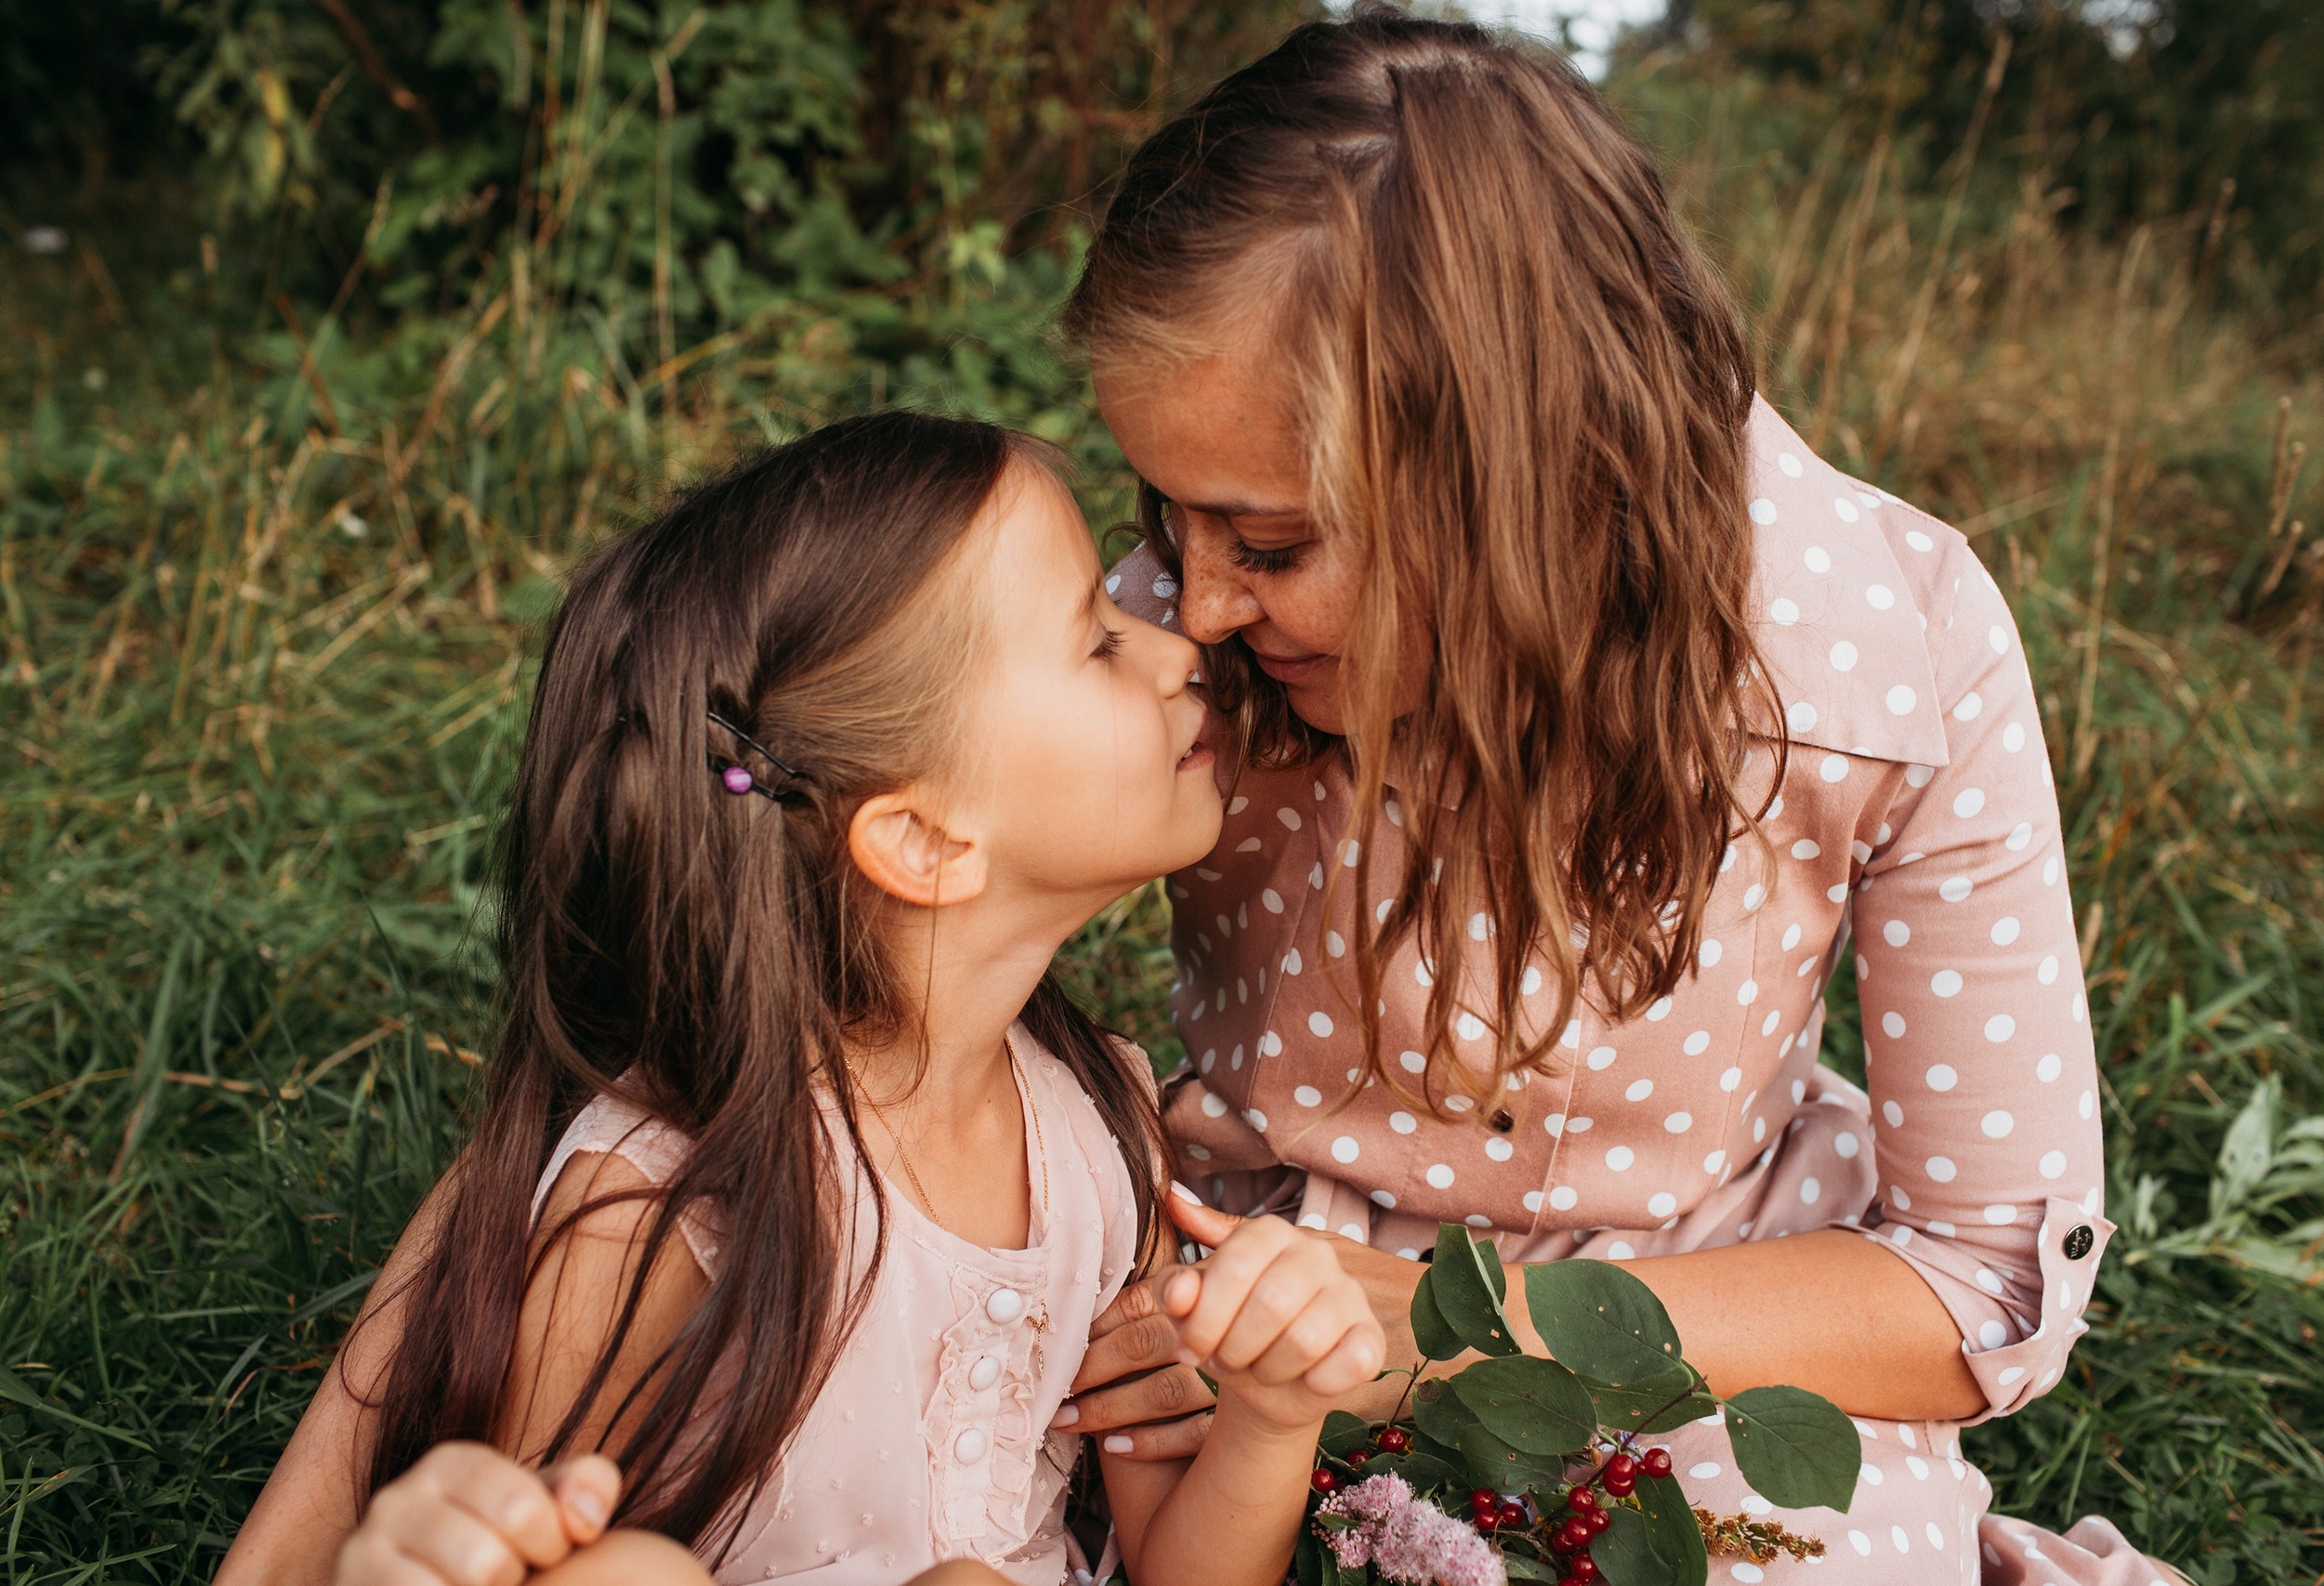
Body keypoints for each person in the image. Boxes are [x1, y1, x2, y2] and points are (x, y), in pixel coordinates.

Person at [1055, 10, 2179, 1584]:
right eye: (1168, 518)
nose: (1206, 606)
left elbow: (1986, 1278)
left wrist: (1464, 1344)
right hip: (1251, 1297)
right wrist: (1093, 1198)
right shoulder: (1179, 633)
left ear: (1515, 477)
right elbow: (904, 935)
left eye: (1274, 541)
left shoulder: (1882, 661)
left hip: (1711, 1335)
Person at [216, 413, 1387, 1585]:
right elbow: (521, 1549)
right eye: (1094, 642)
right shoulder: (663, 1206)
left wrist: (1271, 1420)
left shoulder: (1097, 1127)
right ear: (925, 841)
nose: (1177, 642)